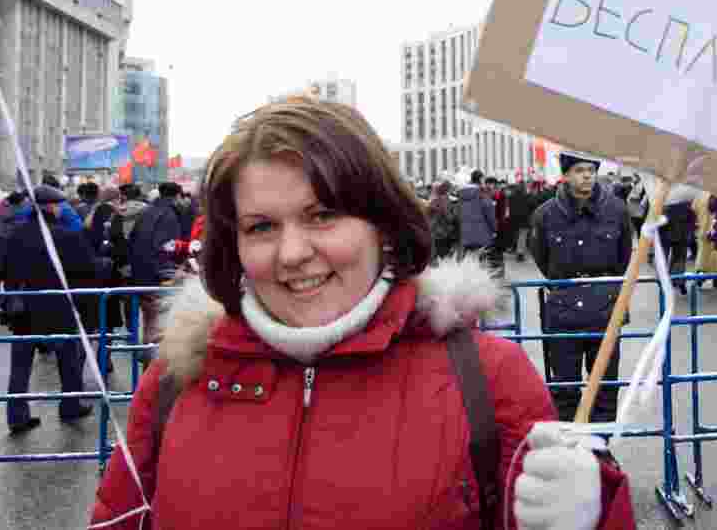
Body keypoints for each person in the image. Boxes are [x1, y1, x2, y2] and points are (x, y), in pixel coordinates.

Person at [90, 97, 635, 529]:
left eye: (322, 215)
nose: (293, 253)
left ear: (384, 223)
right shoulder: (176, 381)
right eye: (261, 227)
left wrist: (594, 513)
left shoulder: (488, 377)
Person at [529, 152, 633, 423]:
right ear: (565, 175)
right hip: (563, 315)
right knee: (564, 389)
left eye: (590, 169)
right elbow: (541, 257)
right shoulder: (545, 215)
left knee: (606, 388)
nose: (586, 175)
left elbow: (623, 258)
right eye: (579, 170)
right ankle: (571, 449)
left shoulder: (617, 211)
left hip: (605, 312)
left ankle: (601, 451)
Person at [2, 185, 98, 434]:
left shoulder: (14, 234)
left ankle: (16, 416)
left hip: (22, 310)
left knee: (20, 366)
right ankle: (70, 405)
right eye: (58, 205)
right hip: (58, 309)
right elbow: (87, 270)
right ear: (51, 207)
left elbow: (3, 270)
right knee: (69, 362)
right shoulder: (66, 236)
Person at [128, 181, 184, 360]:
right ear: (177, 196)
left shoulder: (146, 211)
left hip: (140, 273)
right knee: (158, 319)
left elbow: (133, 238)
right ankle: (152, 360)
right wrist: (169, 273)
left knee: (149, 317)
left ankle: (146, 352)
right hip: (158, 275)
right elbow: (167, 247)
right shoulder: (169, 214)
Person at [457, 169, 496, 262]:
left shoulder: (461, 194)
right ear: (480, 179)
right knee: (482, 262)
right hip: (482, 235)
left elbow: (458, 213)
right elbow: (489, 214)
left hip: (466, 233)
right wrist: (494, 229)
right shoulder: (482, 193)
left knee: (467, 261)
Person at [426, 179, 459, 262]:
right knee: (443, 257)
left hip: (439, 233)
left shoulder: (435, 199)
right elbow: (448, 217)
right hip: (441, 233)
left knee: (441, 256)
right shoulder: (441, 199)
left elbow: (449, 217)